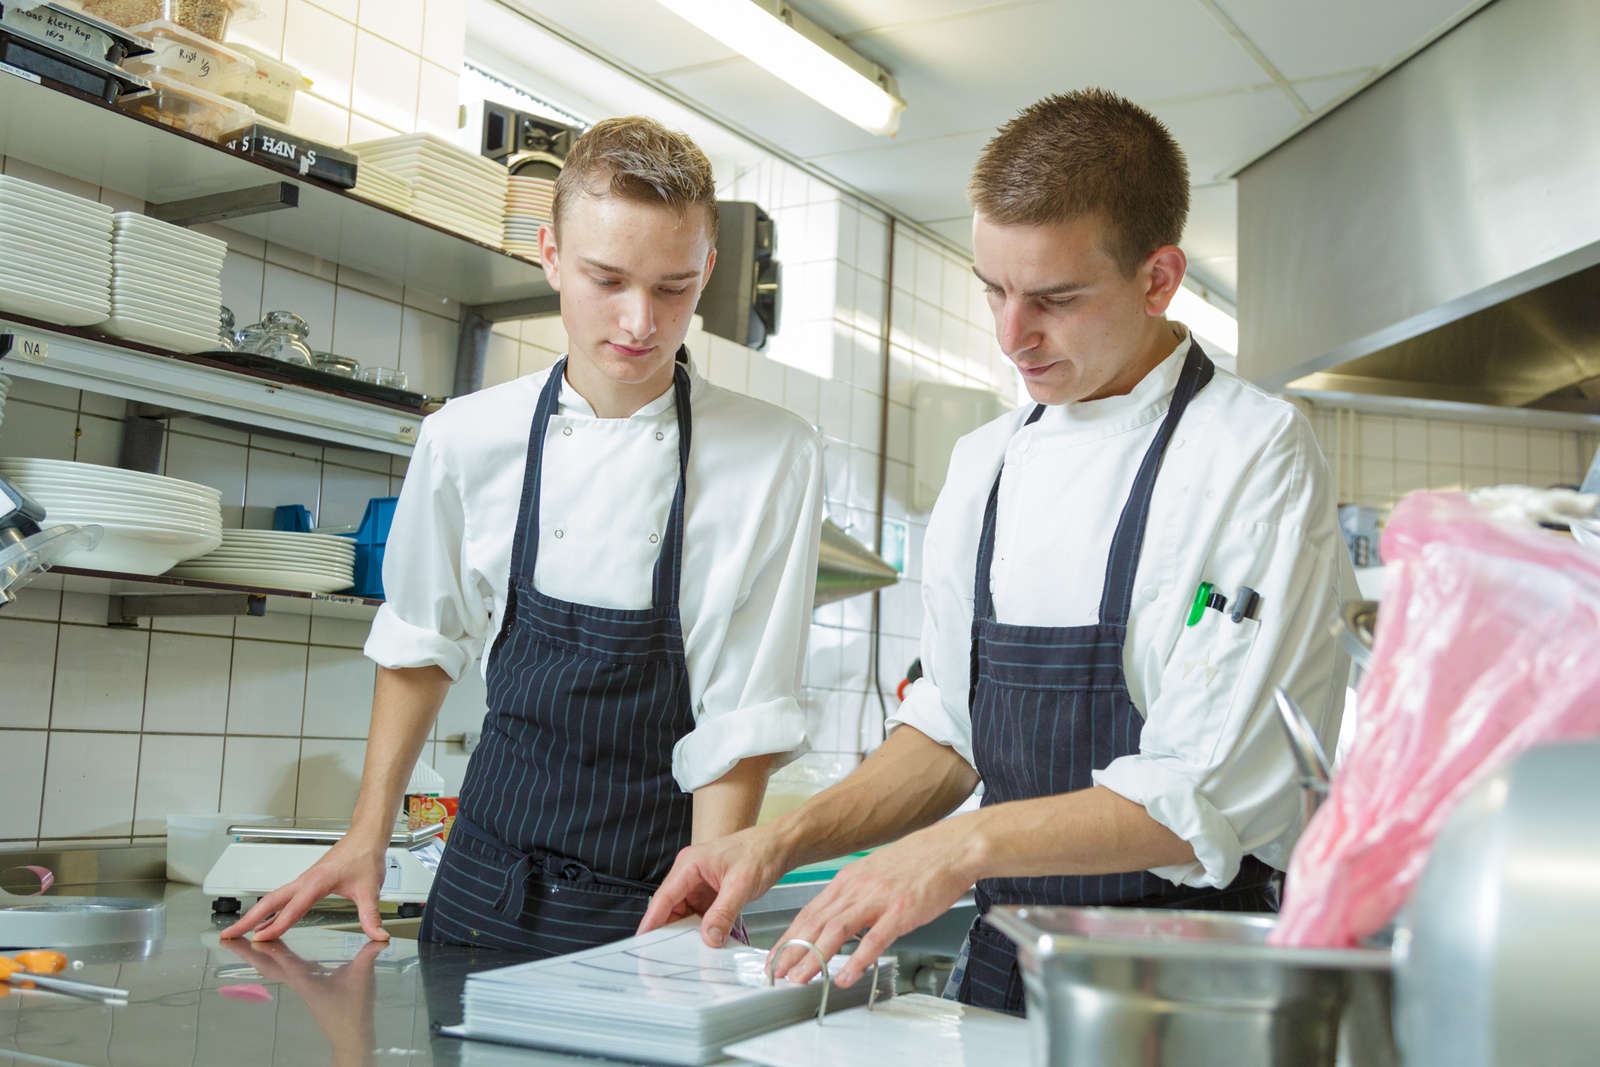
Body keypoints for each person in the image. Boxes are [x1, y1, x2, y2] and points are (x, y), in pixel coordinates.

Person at [638, 89, 1354, 1015]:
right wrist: (779, 839)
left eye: (1054, 298)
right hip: (1005, 971)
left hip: (1188, 988)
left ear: (1158, 278)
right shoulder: (988, 463)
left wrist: (955, 847)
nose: (1012, 335)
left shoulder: (1254, 455)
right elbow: (948, 731)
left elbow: (1199, 793)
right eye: (994, 288)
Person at [222, 116, 825, 956]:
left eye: (674, 287)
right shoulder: (467, 436)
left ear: (708, 271)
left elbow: (743, 709)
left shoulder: (772, 453)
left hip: (659, 899)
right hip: (482, 884)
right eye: (605, 278)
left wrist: (707, 894)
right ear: (549, 254)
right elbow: (421, 643)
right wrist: (366, 834)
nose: (639, 320)